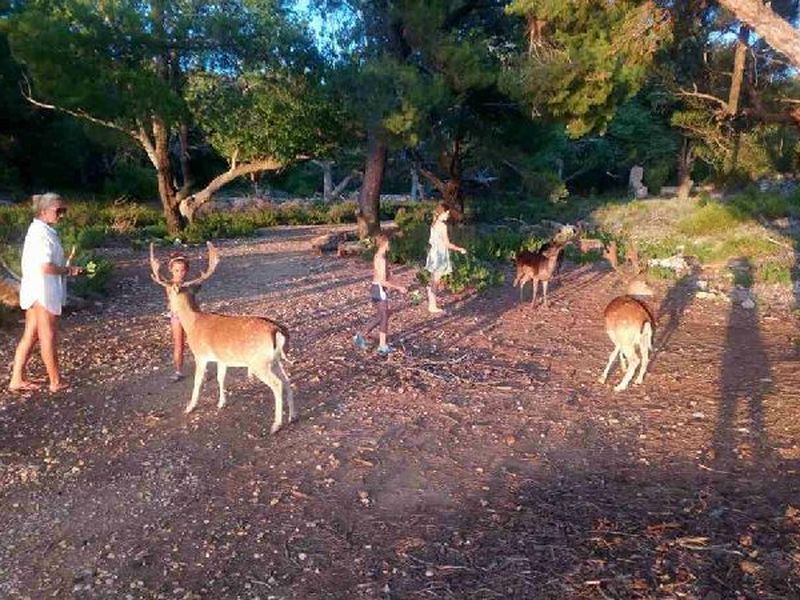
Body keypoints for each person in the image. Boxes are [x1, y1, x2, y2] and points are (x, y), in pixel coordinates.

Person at [9, 193, 83, 393]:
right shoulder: (40, 234)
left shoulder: (41, 231)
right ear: (44, 212)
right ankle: (55, 381)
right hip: (42, 290)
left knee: (31, 335)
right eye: (58, 211)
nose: (62, 215)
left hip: (36, 289)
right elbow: (45, 267)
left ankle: (17, 378)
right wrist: (68, 270)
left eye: (63, 210)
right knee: (47, 335)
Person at [353, 234, 407, 355]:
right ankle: (382, 346)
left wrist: (395, 281)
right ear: (385, 244)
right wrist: (399, 288)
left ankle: (360, 336)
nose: (389, 246)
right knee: (384, 317)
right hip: (379, 289)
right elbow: (382, 280)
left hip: (375, 288)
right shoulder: (381, 259)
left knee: (382, 316)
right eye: (388, 243)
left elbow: (385, 276)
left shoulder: (379, 256)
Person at [164, 252, 200, 381]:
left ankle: (201, 369)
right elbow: (173, 291)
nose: (180, 273)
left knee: (196, 343)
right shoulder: (169, 285)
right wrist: (177, 287)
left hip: (193, 316)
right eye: (177, 270)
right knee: (179, 344)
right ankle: (178, 371)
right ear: (171, 270)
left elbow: (195, 289)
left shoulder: (191, 285)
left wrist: (195, 284)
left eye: (183, 270)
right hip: (177, 317)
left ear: (187, 270)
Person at [425, 203, 466, 314]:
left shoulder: (433, 224)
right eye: (447, 213)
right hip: (440, 255)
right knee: (436, 281)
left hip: (433, 253)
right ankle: (432, 305)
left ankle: (431, 300)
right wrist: (460, 249)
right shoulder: (442, 226)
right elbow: (447, 244)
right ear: (442, 213)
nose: (448, 215)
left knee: (434, 279)